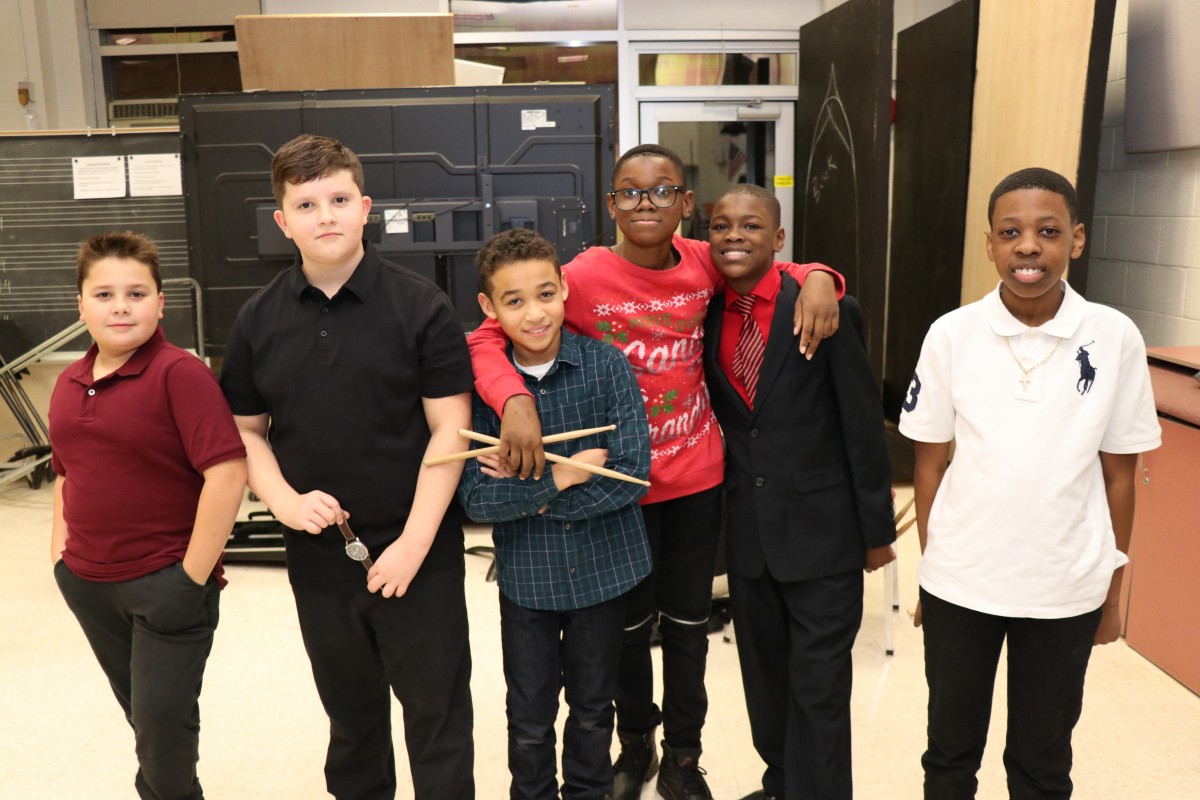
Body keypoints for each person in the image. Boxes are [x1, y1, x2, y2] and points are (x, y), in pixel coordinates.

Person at [468, 143, 845, 800]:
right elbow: (484, 336)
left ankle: (682, 757)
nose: (647, 203)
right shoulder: (579, 276)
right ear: (611, 204)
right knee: (624, 636)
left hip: (695, 479)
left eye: (663, 191)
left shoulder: (704, 260)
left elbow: (769, 263)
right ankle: (635, 742)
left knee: (691, 632)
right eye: (632, 193)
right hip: (618, 489)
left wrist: (821, 275)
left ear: (686, 204)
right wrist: (515, 399)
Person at [219, 134, 475, 800]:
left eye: (337, 200)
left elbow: (451, 428)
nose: (324, 216)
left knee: (437, 716)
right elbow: (245, 432)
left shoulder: (422, 307)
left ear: (365, 208)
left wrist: (415, 544)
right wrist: (282, 501)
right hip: (320, 557)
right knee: (352, 716)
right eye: (305, 204)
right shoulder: (257, 319)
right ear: (282, 222)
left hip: (419, 551)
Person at [900, 167, 1161, 799]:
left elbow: (1120, 474)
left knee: (1042, 763)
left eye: (1047, 232)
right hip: (962, 583)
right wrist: (934, 575)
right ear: (988, 243)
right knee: (949, 755)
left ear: (1076, 240)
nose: (1027, 246)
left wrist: (1111, 588)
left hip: (1064, 584)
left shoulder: (1114, 335)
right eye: (1010, 232)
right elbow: (929, 465)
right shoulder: (951, 333)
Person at [702, 185, 896, 800]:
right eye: (721, 225)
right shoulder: (704, 311)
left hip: (824, 535)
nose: (735, 235)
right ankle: (782, 783)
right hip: (751, 539)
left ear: (779, 240)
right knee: (764, 681)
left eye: (752, 225)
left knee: (817, 688)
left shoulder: (829, 308)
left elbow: (862, 424)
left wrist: (877, 533)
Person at [49, 230, 248, 800]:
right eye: (104, 294)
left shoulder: (178, 374)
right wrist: (61, 561)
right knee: (143, 720)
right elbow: (67, 472)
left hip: (165, 584)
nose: (120, 306)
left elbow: (227, 473)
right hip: (89, 583)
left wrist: (190, 577)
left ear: (160, 303)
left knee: (163, 727)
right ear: (80, 304)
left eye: (136, 293)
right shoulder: (69, 381)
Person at [458, 228, 652, 799]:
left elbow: (633, 474)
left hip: (605, 572)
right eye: (514, 301)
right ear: (489, 309)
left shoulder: (606, 365)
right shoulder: (484, 391)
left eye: (546, 294)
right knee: (529, 718)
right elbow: (477, 499)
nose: (535, 313)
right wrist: (562, 475)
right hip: (528, 580)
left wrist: (526, 493)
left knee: (594, 711)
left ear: (566, 288)